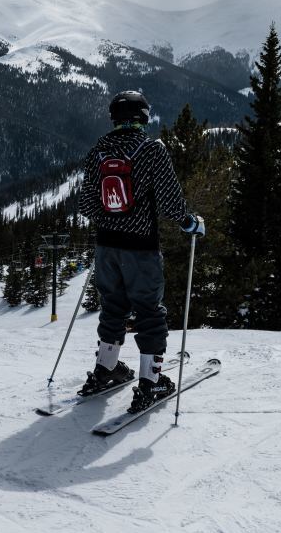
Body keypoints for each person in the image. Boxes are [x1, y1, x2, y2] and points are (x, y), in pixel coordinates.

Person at [78, 90, 204, 413]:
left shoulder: (98, 151)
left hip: (106, 246)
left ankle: (106, 369)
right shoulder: (151, 150)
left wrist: (111, 219)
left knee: (112, 307)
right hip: (141, 247)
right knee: (148, 311)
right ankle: (151, 382)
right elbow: (170, 202)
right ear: (143, 117)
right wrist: (190, 223)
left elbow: (86, 204)